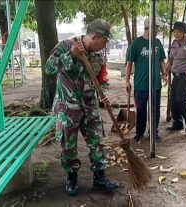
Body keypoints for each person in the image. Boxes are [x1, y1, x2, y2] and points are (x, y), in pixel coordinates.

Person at [45, 19, 119, 196]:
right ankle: (71, 177)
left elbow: (102, 79)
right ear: (95, 36)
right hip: (68, 107)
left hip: (89, 106)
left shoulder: (98, 55)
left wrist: (104, 93)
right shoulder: (66, 45)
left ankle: (99, 177)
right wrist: (70, 54)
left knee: (97, 141)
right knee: (68, 145)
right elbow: (48, 68)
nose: (105, 45)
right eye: (104, 41)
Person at [125, 17, 167, 142]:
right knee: (141, 110)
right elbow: (129, 63)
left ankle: (154, 132)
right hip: (140, 85)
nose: (158, 30)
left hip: (155, 84)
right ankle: (139, 132)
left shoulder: (158, 43)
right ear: (149, 27)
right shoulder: (136, 43)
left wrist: (164, 73)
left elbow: (161, 60)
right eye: (157, 27)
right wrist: (127, 80)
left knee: (155, 110)